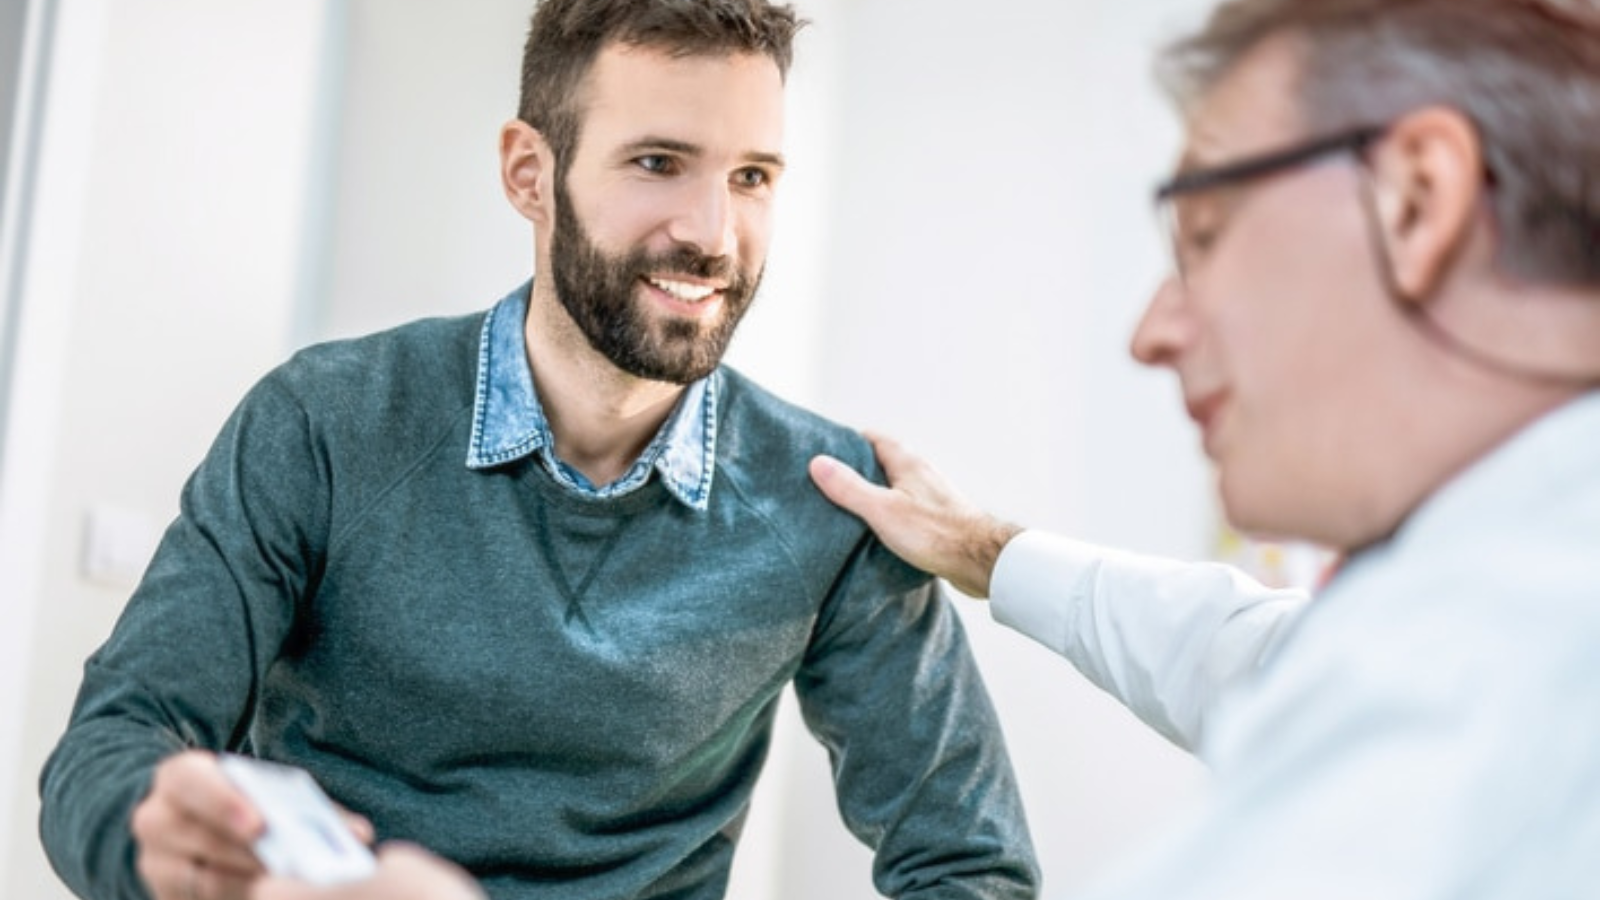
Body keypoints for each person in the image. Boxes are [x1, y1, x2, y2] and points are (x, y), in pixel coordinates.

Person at [37, 2, 1039, 899]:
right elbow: (115, 743)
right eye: (658, 162)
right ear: (530, 172)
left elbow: (969, 867)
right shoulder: (324, 421)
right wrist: (153, 835)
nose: (712, 233)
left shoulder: (830, 502)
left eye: (750, 177)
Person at [808, 0, 1600, 897]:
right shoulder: (1490, 596)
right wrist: (988, 551)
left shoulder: (1498, 682)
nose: (1149, 334)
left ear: (1415, 201)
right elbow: (1253, 657)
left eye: (1208, 234)